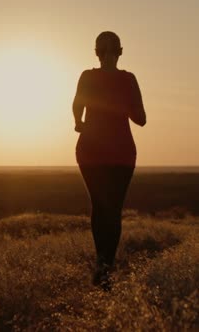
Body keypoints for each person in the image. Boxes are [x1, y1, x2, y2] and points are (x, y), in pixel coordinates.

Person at [72, 31, 146, 291]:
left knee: (100, 207)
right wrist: (121, 105)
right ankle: (106, 267)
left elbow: (76, 106)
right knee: (112, 210)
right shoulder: (128, 79)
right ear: (121, 51)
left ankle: (101, 265)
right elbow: (141, 119)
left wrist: (79, 123)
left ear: (96, 52)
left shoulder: (87, 76)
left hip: (91, 150)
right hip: (121, 153)